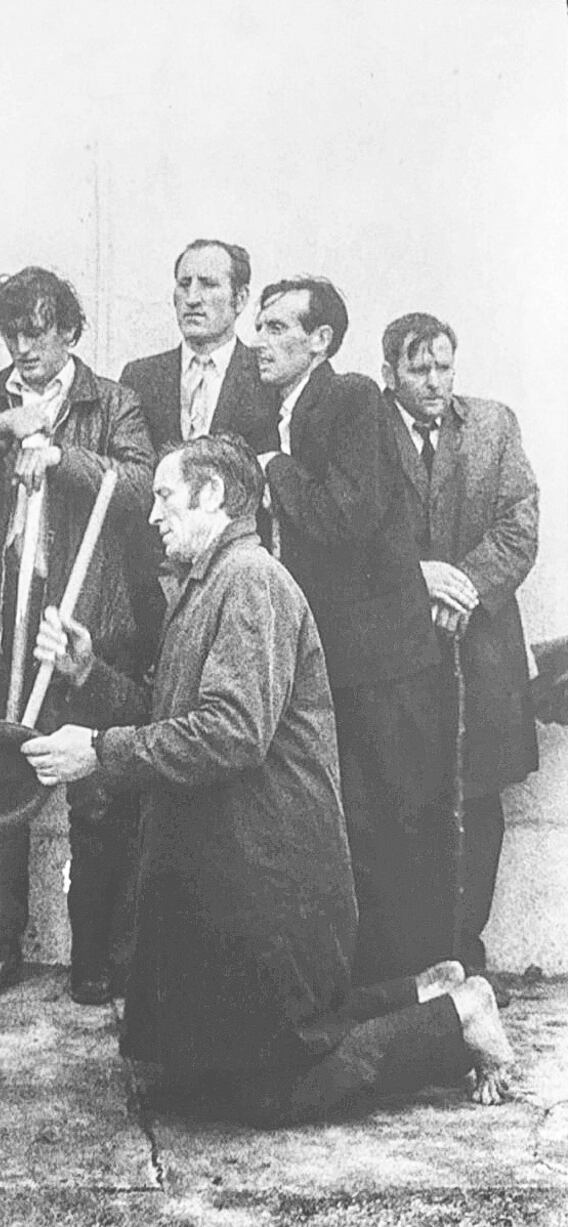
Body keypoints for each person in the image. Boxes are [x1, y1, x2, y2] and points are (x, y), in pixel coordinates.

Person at [22, 433, 514, 1126]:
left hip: (268, 885)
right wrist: (88, 675)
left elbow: (230, 733)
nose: (153, 515)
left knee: (272, 1090)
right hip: (232, 879)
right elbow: (168, 715)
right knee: (193, 1080)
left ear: (214, 496)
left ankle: (454, 1022)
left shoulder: (250, 581)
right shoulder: (207, 586)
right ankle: (423, 989)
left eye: (164, 496)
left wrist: (101, 751)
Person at [0, 266, 154, 1005]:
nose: (23, 347)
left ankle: (92, 956)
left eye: (38, 331)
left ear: (69, 332)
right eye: (11, 332)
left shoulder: (112, 401)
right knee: (3, 784)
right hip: (1, 619)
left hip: (80, 620)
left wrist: (65, 457)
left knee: (90, 793)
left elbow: (145, 485)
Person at [254, 276, 449, 985]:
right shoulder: (281, 406)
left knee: (394, 825)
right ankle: (376, 985)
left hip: (381, 663)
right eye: (262, 326)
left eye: (279, 328)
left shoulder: (352, 396)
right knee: (350, 824)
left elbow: (349, 514)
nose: (261, 341)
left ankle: (425, 988)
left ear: (321, 341)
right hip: (333, 659)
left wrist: (276, 471)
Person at [381, 312, 539, 973]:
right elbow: (361, 534)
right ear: (389, 373)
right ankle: (409, 961)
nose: (434, 381)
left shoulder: (494, 426)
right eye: (418, 368)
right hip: (398, 653)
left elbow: (519, 526)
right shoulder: (370, 434)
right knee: (401, 800)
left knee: (478, 800)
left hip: (480, 649)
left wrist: (462, 589)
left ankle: (465, 954)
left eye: (444, 365)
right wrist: (418, 587)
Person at [120, 239, 276, 453]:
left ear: (239, 299)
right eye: (184, 284)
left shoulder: (266, 375)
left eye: (208, 284)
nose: (192, 298)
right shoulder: (140, 377)